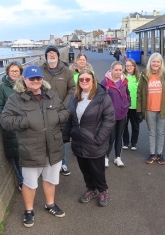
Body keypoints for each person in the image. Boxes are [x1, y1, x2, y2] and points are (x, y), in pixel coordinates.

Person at [0, 65, 69, 228]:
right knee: (29, 183)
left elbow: (65, 112)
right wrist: (25, 121)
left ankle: (50, 204)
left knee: (51, 180)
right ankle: (29, 210)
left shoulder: (51, 95)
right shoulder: (15, 99)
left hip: (53, 147)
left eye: (38, 78)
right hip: (30, 149)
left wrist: (57, 118)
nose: (36, 81)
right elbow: (5, 119)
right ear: (24, 80)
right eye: (32, 79)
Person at [62, 69, 115, 207]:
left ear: (93, 81)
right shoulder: (75, 97)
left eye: (87, 79)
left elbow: (109, 119)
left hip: (95, 141)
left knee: (97, 170)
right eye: (81, 79)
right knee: (85, 169)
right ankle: (91, 189)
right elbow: (70, 118)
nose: (84, 81)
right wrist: (66, 135)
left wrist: (99, 139)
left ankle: (103, 190)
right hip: (79, 141)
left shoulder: (102, 97)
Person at [39, 45, 76, 176]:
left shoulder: (66, 71)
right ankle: (46, 163)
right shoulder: (39, 71)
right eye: (49, 53)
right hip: (43, 112)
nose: (52, 55)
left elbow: (72, 89)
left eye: (54, 53)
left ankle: (63, 163)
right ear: (46, 56)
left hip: (61, 111)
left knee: (60, 138)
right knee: (44, 138)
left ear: (58, 56)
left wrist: (64, 105)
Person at [137, 52, 165, 165]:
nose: (155, 63)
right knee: (151, 132)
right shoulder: (145, 74)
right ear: (150, 62)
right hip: (149, 108)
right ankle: (152, 154)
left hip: (162, 109)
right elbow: (139, 92)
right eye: (153, 61)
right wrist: (139, 110)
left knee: (160, 132)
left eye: (158, 62)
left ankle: (159, 154)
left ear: (161, 63)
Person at [0, 61, 24, 190]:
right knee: (17, 156)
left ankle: (28, 180)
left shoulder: (25, 85)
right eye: (12, 71)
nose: (14, 73)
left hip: (25, 125)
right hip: (11, 127)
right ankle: (23, 182)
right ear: (7, 72)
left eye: (16, 71)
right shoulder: (1, 88)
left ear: (20, 73)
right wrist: (7, 122)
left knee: (27, 154)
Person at [101, 61, 131, 168]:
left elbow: (127, 95)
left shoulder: (124, 81)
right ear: (111, 70)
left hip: (122, 114)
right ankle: (105, 157)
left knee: (119, 137)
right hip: (110, 115)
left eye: (120, 70)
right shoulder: (105, 82)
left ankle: (118, 157)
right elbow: (100, 97)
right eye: (116, 70)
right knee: (111, 138)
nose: (118, 72)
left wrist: (127, 105)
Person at [122, 58, 140, 150]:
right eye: (127, 65)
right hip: (125, 106)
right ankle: (125, 142)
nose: (129, 67)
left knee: (135, 125)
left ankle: (133, 143)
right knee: (124, 125)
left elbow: (141, 92)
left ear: (134, 66)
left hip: (135, 106)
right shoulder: (122, 77)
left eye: (131, 65)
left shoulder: (138, 77)